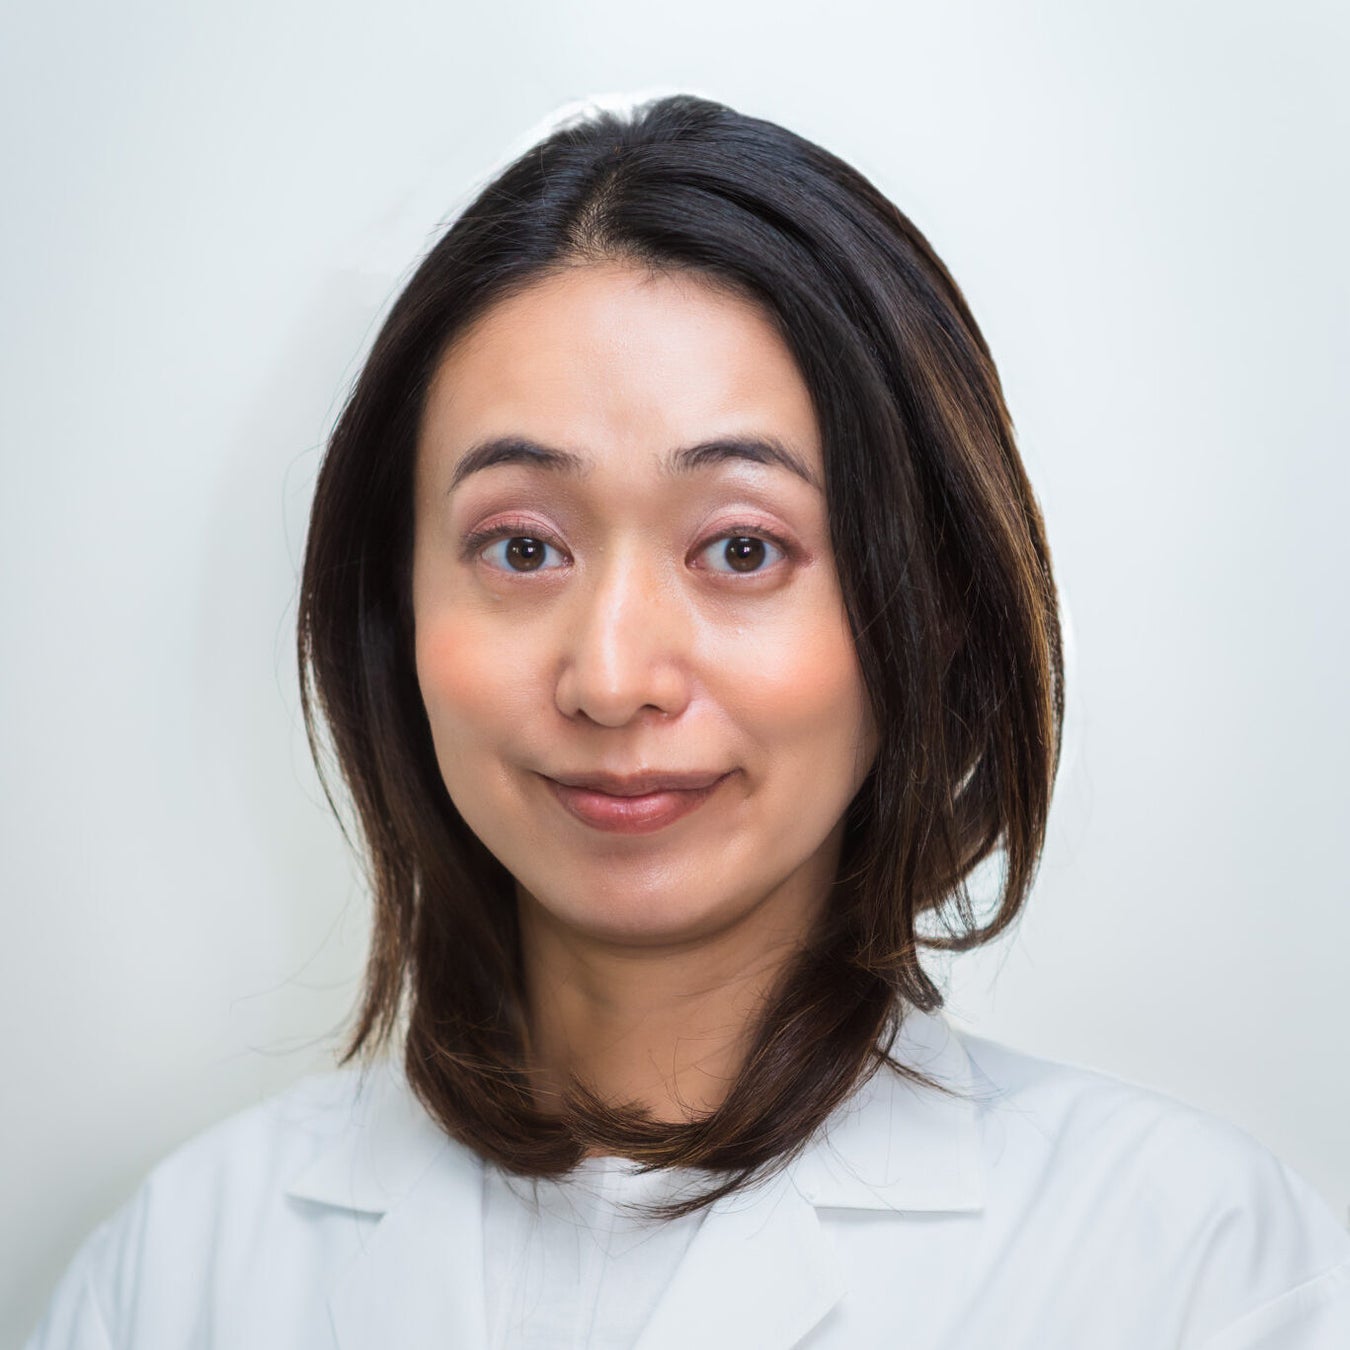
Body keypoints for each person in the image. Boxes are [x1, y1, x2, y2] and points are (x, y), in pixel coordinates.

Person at [25, 93, 1350, 1350]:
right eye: (523, 547)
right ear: (392, 607)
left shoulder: (1190, 1269)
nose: (612, 679)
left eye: (740, 549)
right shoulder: (183, 1270)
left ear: (929, 605)